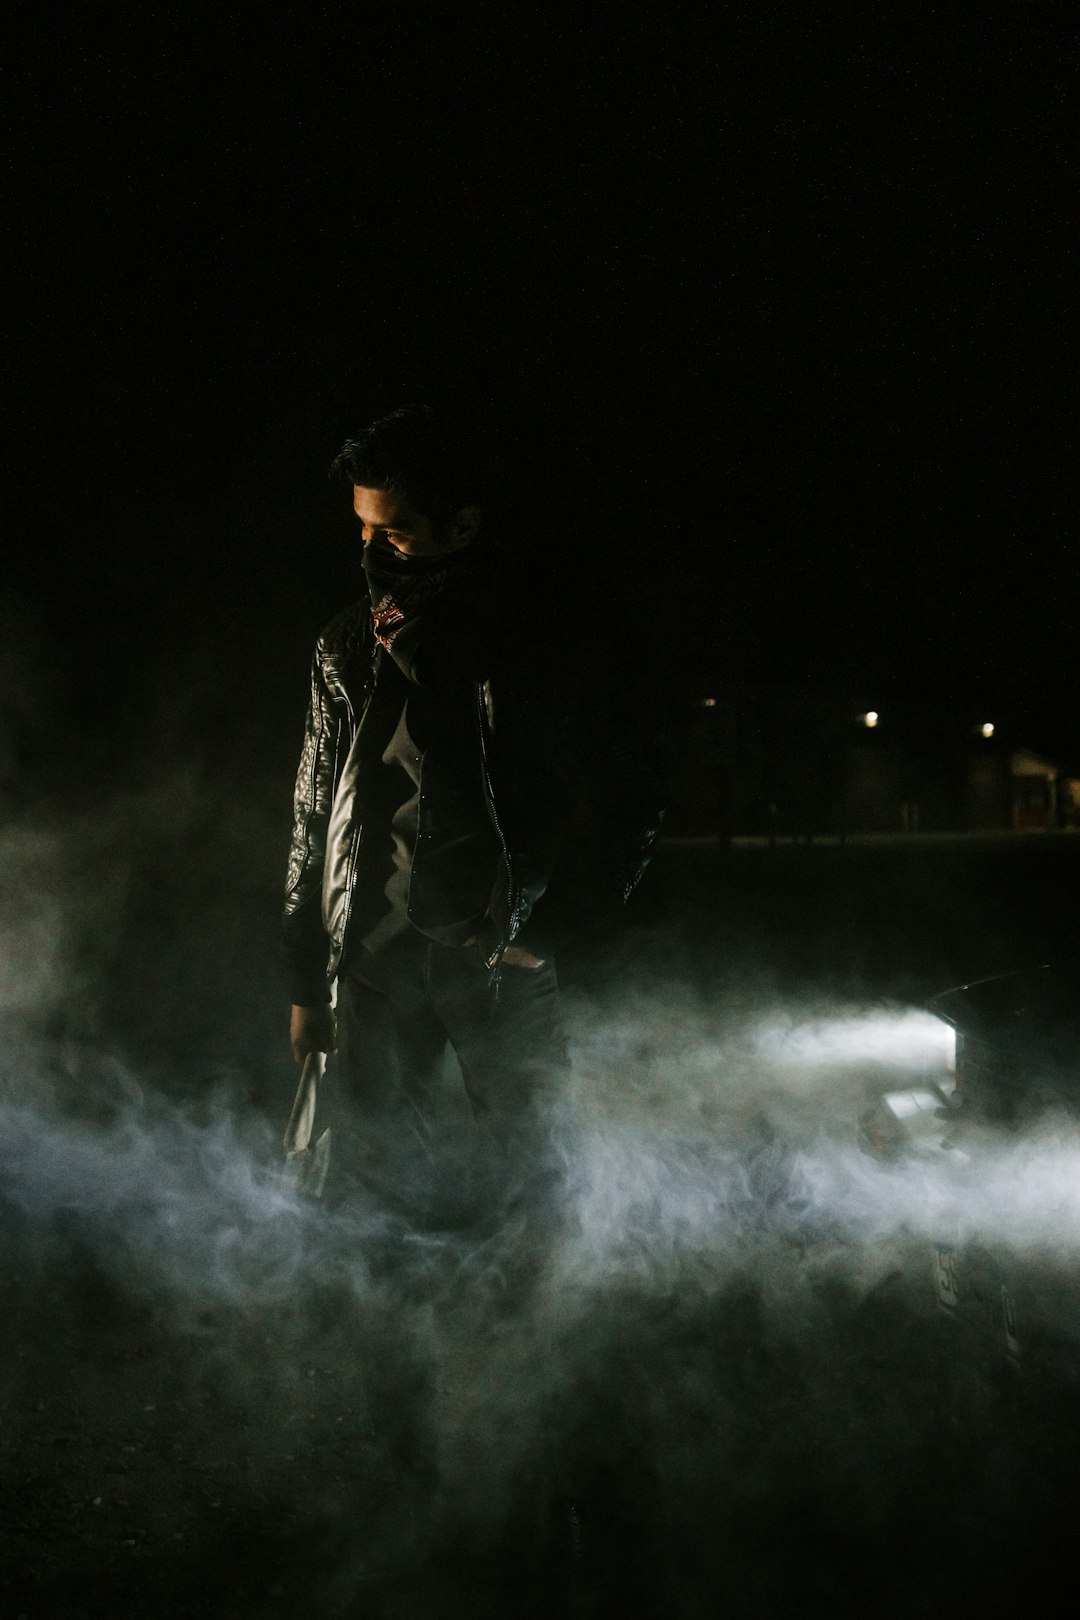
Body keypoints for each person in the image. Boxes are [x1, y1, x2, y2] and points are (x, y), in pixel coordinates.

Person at [282, 404, 664, 1227]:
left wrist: (547, 934)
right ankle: (391, 1314)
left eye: (398, 530)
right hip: (374, 954)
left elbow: (628, 796)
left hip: (495, 950)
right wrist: (307, 974)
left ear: (463, 524)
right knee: (372, 1159)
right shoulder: (347, 641)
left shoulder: (540, 637)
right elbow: (315, 812)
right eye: (362, 527)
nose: (371, 548)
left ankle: (538, 1312)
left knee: (532, 1155)